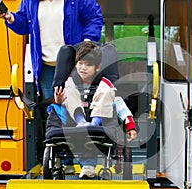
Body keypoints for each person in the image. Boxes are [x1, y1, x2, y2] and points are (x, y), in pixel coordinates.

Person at [53, 41, 137, 179]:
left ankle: (93, 126)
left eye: (88, 65)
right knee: (67, 88)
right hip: (75, 123)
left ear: (97, 67)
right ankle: (83, 125)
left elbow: (120, 106)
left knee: (108, 89)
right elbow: (59, 107)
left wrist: (130, 126)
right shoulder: (70, 83)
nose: (83, 68)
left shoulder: (105, 85)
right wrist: (58, 101)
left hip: (100, 124)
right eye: (80, 63)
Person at [0, 0, 103, 100]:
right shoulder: (29, 1)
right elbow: (24, 24)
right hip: (46, 67)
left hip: (74, 64)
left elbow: (94, 18)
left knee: (77, 104)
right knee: (53, 108)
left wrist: (87, 42)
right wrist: (10, 17)